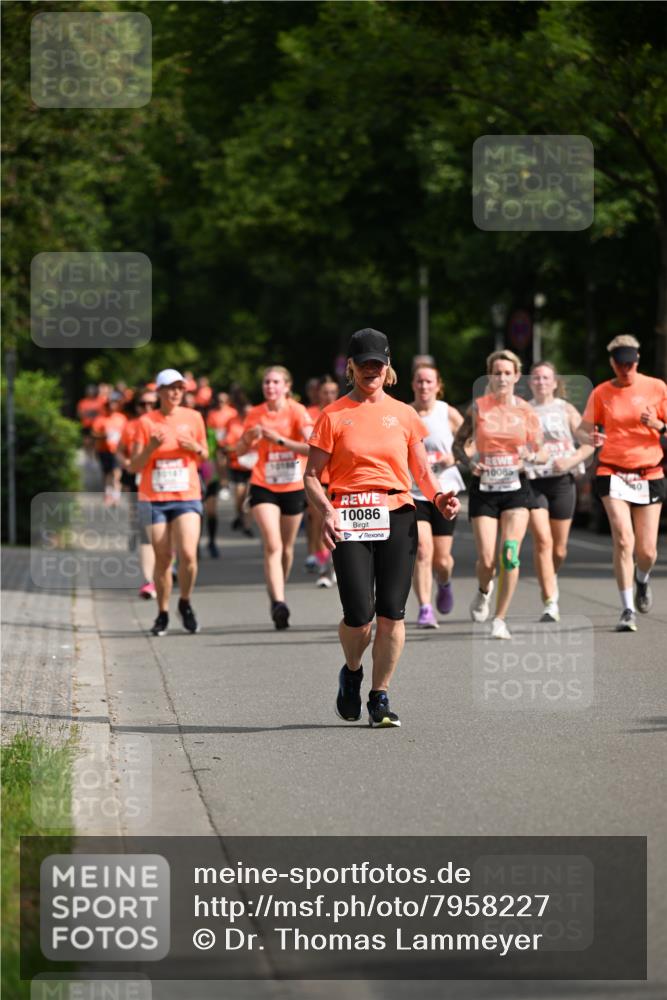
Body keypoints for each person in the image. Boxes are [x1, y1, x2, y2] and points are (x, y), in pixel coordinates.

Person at [305, 328, 459, 728]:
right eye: (364, 363)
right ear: (351, 368)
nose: (371, 370)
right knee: (360, 615)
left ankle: (380, 695)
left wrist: (439, 497)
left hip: (397, 512)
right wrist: (327, 510)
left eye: (379, 363)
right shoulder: (333, 415)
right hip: (349, 515)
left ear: (388, 368)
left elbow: (422, 470)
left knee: (392, 612)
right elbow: (311, 476)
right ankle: (352, 671)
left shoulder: (404, 414)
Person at [453, 349, 545, 640]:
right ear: (490, 376)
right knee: (487, 560)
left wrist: (529, 459)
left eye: (508, 373)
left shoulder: (526, 411)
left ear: (517, 376)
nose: (502, 378)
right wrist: (471, 463)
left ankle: (500, 618)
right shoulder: (478, 408)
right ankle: (483, 590)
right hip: (485, 489)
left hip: (516, 487)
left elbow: (540, 450)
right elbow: (459, 445)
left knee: (510, 554)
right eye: (497, 373)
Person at [579, 335, 666, 632]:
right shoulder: (602, 392)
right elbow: (582, 430)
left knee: (648, 551)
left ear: (638, 360)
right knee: (624, 539)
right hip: (612, 471)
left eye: (630, 363)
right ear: (612, 362)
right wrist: (591, 438)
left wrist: (658, 425)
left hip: (648, 472)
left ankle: (642, 579)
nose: (625, 369)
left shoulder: (656, 388)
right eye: (620, 363)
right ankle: (627, 608)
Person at [129, 369, 208, 636]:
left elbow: (204, 454)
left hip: (186, 496)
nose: (175, 392)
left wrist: (193, 448)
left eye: (180, 388)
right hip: (153, 498)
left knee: (188, 553)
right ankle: (162, 612)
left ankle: (184, 602)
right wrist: (150, 447)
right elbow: (133, 466)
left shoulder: (194, 417)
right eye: (170, 388)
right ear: (159, 391)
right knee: (162, 558)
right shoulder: (145, 422)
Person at [238, 366, 313, 629]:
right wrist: (247, 438)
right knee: (272, 544)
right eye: (266, 382)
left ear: (287, 386)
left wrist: (281, 441)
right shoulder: (255, 414)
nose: (270, 386)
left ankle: (277, 590)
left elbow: (311, 447)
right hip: (263, 484)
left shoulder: (296, 411)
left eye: (275, 382)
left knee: (287, 548)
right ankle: (279, 602)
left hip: (292, 485)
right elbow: (238, 451)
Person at [526, 362, 594, 622]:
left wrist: (570, 461)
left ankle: (549, 577)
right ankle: (550, 600)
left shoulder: (565, 409)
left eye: (546, 378)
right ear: (531, 382)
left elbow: (588, 444)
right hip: (534, 482)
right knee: (543, 541)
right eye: (536, 378)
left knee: (560, 550)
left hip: (563, 482)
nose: (541, 382)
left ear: (555, 383)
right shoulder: (524, 410)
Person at [409, 364, 465, 627]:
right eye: (419, 381)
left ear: (438, 385)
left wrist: (454, 456)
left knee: (442, 559)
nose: (424, 386)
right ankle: (425, 608)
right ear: (413, 385)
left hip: (445, 491)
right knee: (422, 550)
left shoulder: (447, 413)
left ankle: (443, 582)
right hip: (414, 492)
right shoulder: (405, 414)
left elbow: (472, 440)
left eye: (429, 381)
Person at [118, 389, 158, 599]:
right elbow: (120, 450)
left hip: (163, 485)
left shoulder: (166, 424)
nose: (147, 408)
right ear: (137, 407)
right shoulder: (131, 426)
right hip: (137, 480)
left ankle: (169, 566)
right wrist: (127, 463)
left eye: (152, 404)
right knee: (143, 527)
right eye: (143, 404)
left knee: (166, 533)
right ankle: (148, 580)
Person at [91, 391, 127, 506]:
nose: (112, 406)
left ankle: (116, 496)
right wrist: (104, 436)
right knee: (107, 474)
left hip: (117, 450)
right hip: (103, 450)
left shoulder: (122, 418)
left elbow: (126, 433)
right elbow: (93, 433)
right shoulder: (100, 419)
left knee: (116, 473)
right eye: (111, 403)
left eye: (114, 403)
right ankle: (108, 494)